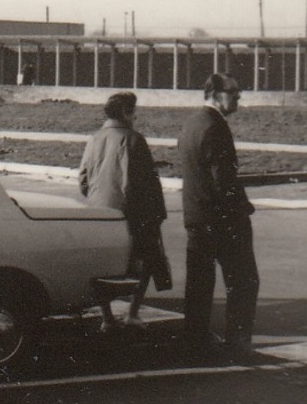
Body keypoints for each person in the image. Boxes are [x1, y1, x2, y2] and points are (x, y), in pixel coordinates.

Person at [177, 73, 259, 356]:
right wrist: (243, 210)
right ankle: (238, 341)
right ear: (214, 93)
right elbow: (223, 179)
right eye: (233, 91)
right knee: (244, 280)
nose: (238, 97)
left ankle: (196, 339)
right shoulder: (215, 127)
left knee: (199, 283)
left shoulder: (191, 124)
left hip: (197, 216)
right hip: (222, 219)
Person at [78, 91, 169, 329]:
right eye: (133, 111)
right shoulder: (134, 139)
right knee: (146, 260)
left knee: (103, 266)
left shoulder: (94, 138)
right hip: (130, 212)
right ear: (126, 113)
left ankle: (107, 317)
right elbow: (146, 184)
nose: (135, 117)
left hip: (98, 212)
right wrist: (157, 215)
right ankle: (132, 312)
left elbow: (83, 180)